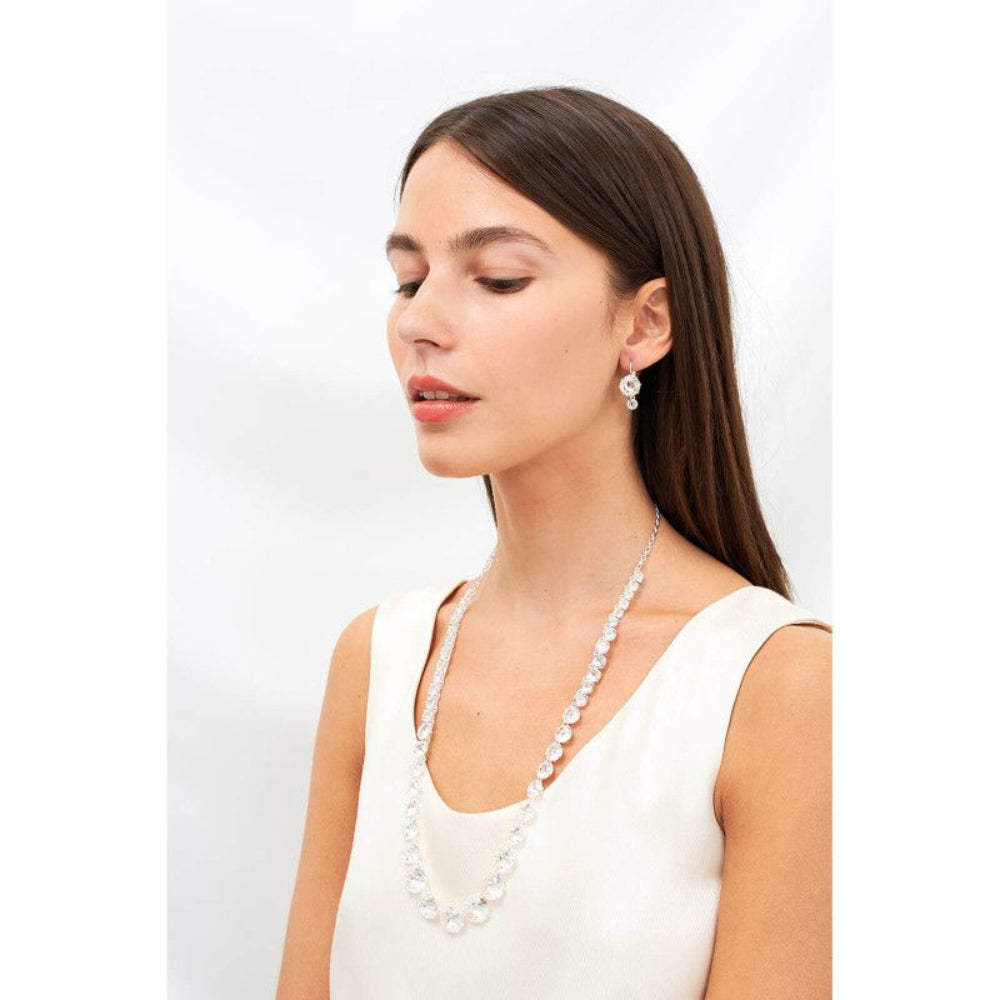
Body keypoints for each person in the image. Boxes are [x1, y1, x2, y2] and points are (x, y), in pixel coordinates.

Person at [276, 86, 832, 999]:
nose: (419, 322)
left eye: (497, 279)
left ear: (645, 323)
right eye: (409, 280)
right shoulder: (378, 661)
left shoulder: (780, 687)